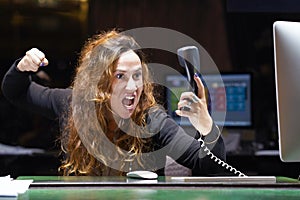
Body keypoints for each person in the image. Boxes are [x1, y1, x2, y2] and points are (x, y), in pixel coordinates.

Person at [1, 30, 225, 176]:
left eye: (137, 76)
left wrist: (206, 125)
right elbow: (15, 91)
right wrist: (22, 66)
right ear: (98, 82)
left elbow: (212, 167)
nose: (132, 86)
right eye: (120, 76)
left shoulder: (151, 118)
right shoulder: (73, 103)